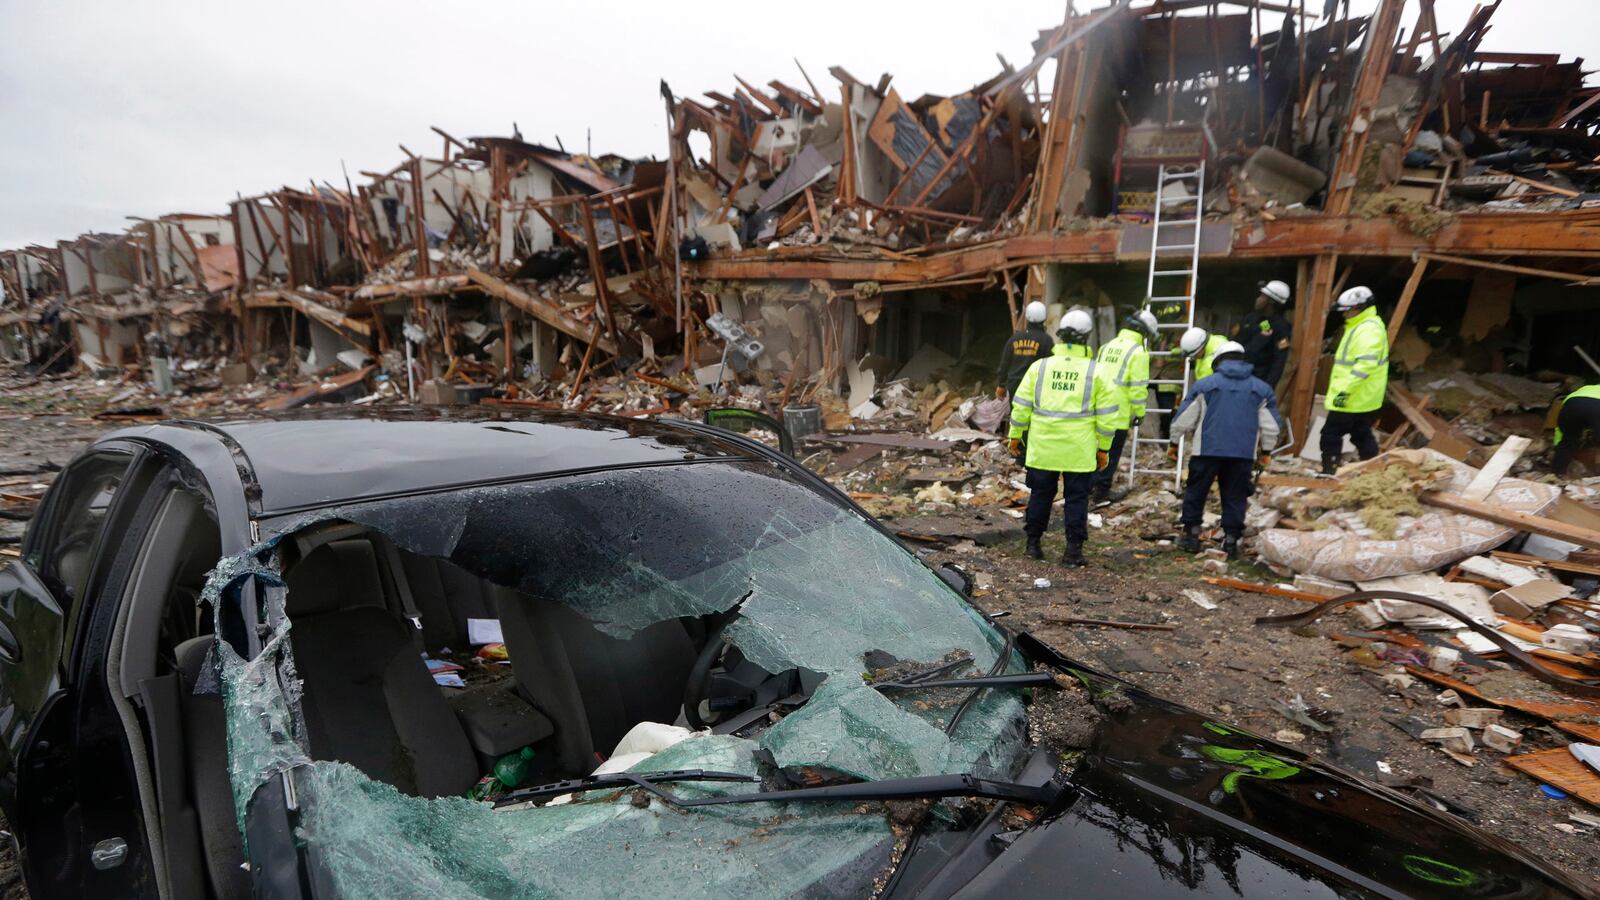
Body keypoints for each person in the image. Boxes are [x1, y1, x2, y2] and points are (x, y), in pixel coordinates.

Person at [1008, 309, 1123, 566]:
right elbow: (1107, 417)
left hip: (1043, 446)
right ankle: (1073, 552)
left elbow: (1021, 405)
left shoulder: (1041, 367)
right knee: (1077, 498)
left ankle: (1033, 545)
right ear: (1087, 337)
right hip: (1078, 450)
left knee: (1040, 494)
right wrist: (1103, 449)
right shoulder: (1098, 372)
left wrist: (1015, 436)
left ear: (1060, 337)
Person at [1170, 341, 1282, 559]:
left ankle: (1191, 536)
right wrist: (1266, 451)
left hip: (1206, 451)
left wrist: (1174, 442)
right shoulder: (1261, 389)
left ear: (1218, 361)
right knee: (1234, 496)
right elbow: (1271, 426)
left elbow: (1183, 419)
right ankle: (1231, 542)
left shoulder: (1205, 385)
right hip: (1241, 454)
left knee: (1196, 492)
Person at [1090, 307, 1158, 503]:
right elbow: (1138, 387)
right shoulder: (1139, 353)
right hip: (1118, 412)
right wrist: (1139, 412)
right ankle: (1101, 491)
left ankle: (1087, 487)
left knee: (1095, 449)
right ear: (1143, 332)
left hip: (1097, 408)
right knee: (1111, 452)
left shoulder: (1107, 346)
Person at [1320, 286, 1389, 475]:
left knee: (1330, 435)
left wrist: (1344, 393)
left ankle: (1329, 473)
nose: (1344, 315)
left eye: (1346, 310)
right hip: (1361, 397)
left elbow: (1364, 367)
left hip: (1352, 397)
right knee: (1361, 434)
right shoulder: (1363, 326)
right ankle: (1374, 471)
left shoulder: (1367, 330)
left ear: (1359, 307)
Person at [1236, 280, 1293, 387]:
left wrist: (1267, 388)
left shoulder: (1281, 327)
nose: (1258, 299)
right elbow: (1237, 345)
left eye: (1263, 296)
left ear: (1271, 301)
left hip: (1258, 381)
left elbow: (1279, 362)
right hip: (1238, 376)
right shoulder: (1250, 319)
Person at [1552, 384, 1600, 475]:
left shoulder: (1588, 387)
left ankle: (1556, 475)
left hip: (1571, 403)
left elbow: (1560, 430)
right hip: (1597, 407)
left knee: (1568, 440)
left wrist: (1557, 445)